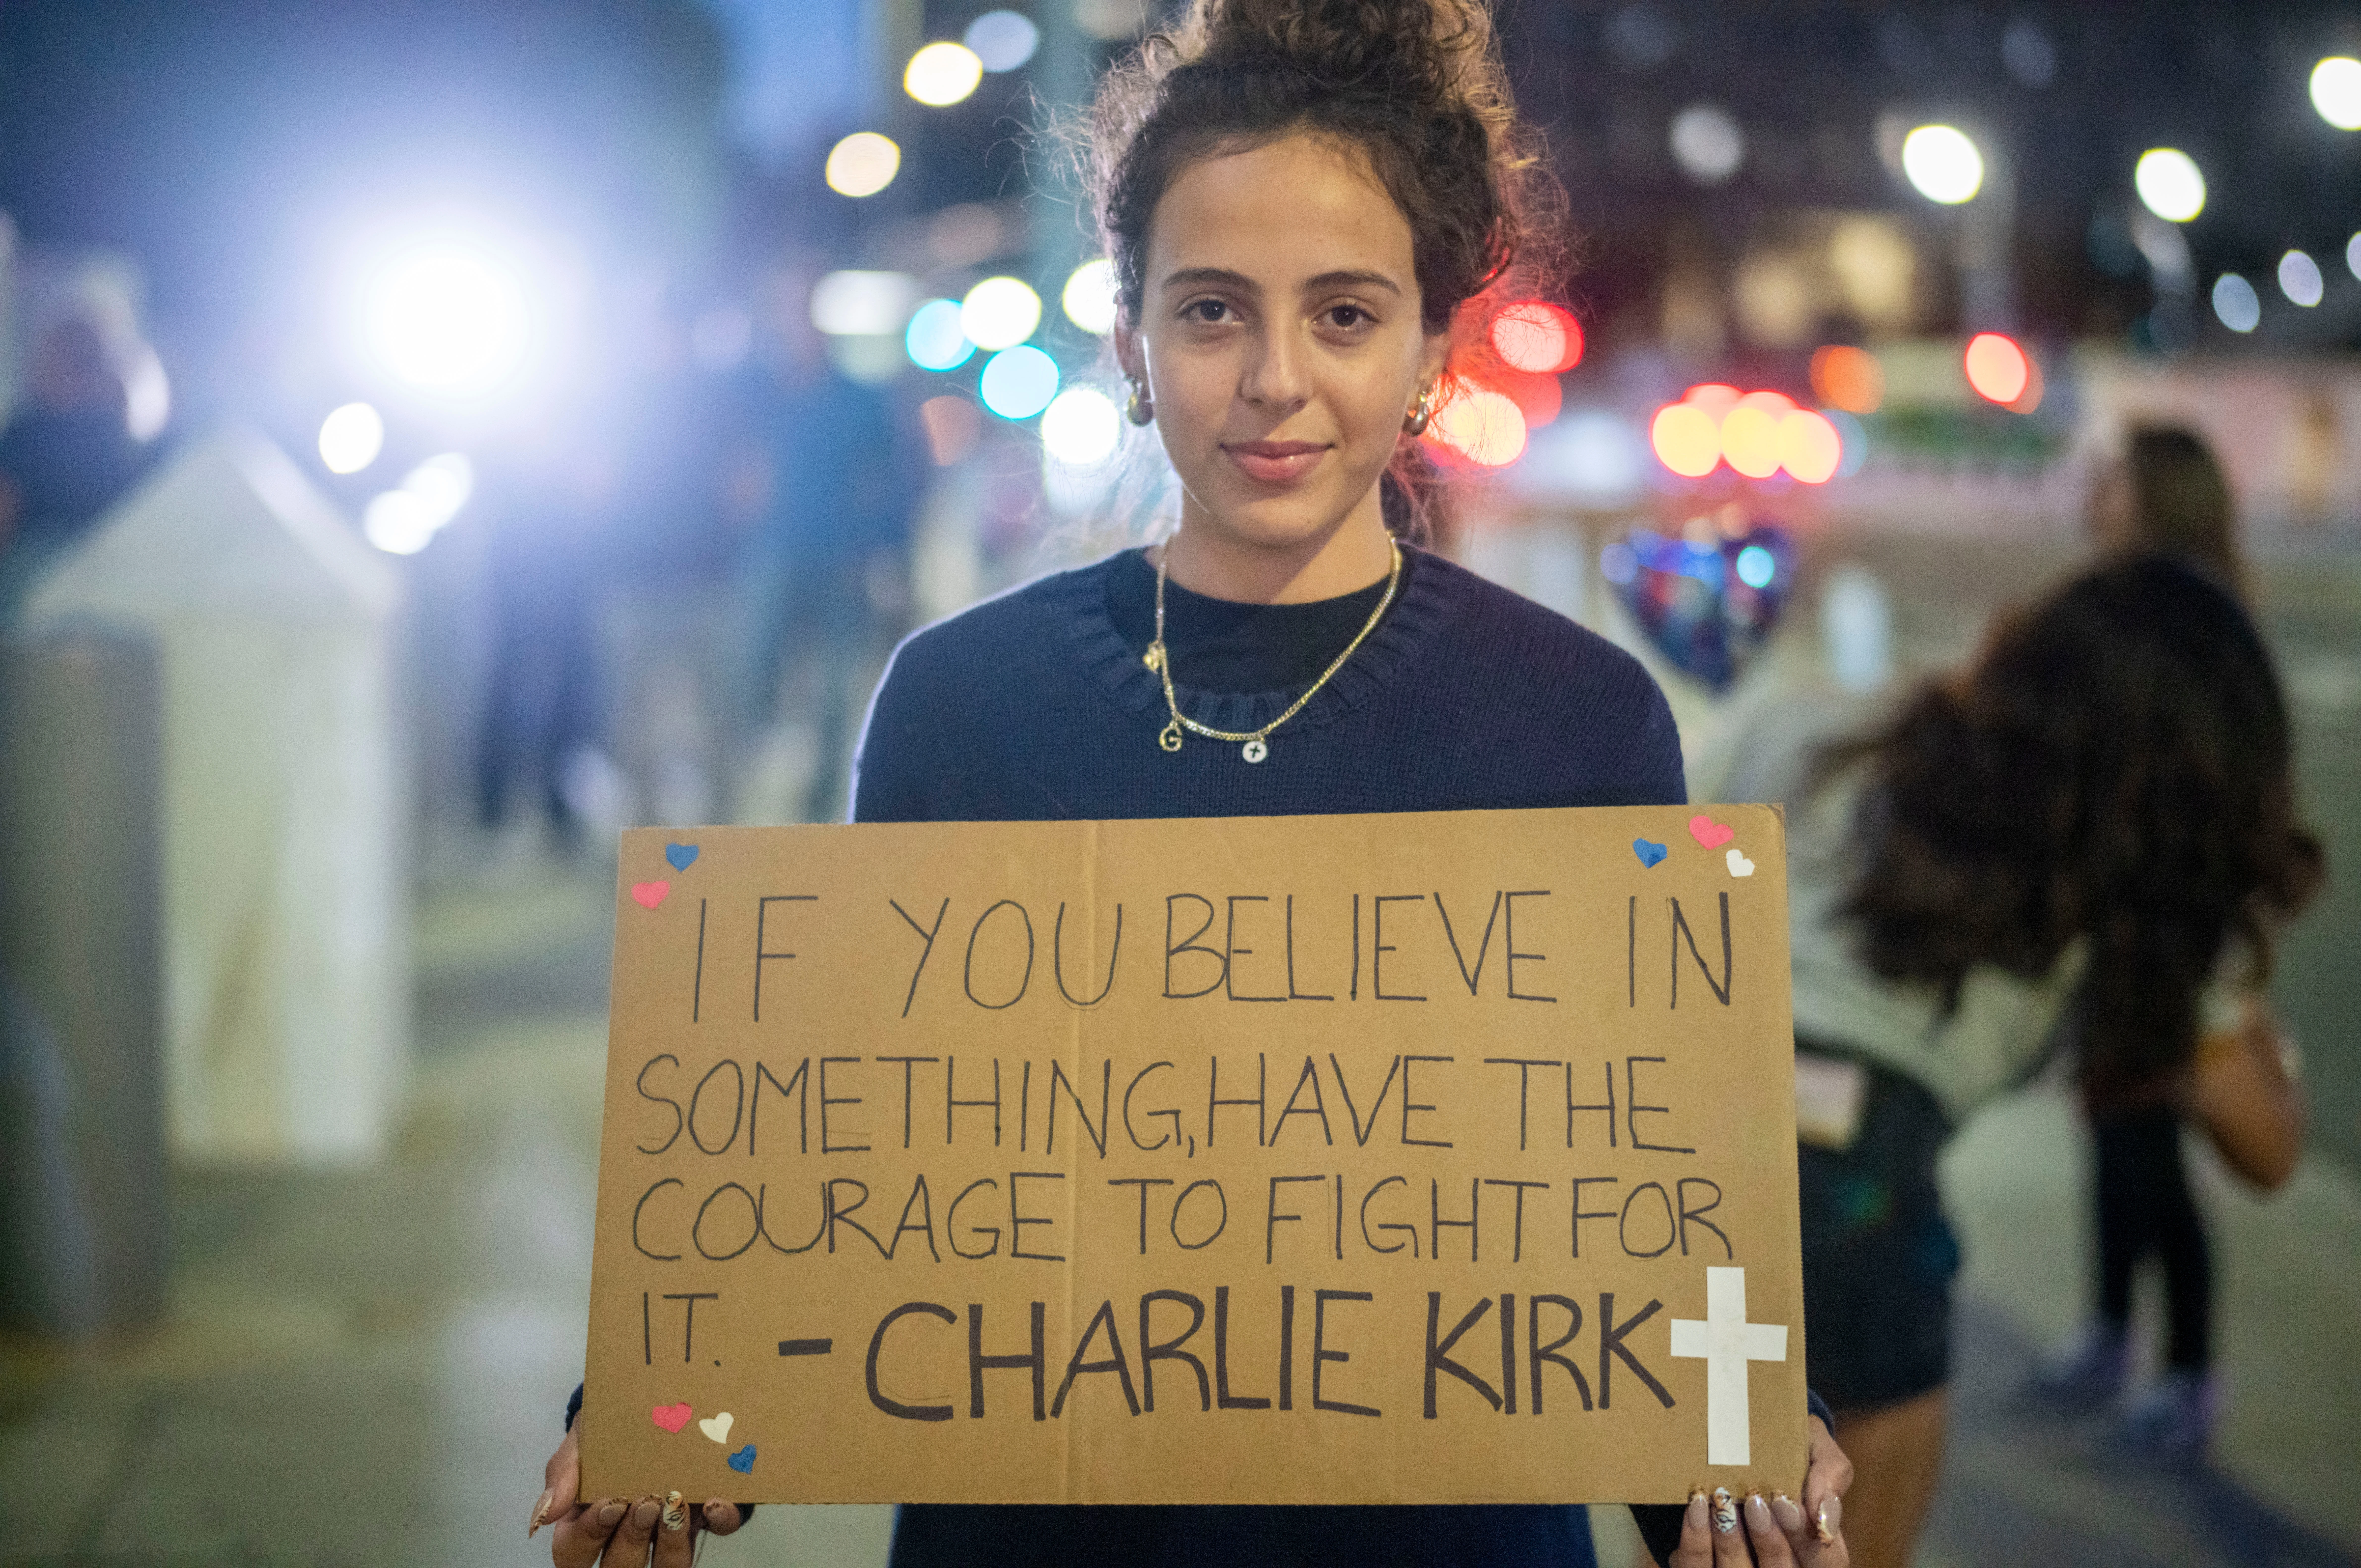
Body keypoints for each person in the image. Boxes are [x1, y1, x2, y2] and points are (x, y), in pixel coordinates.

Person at [534, 2, 1850, 1563]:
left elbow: (1621, 1248)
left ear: (1435, 349)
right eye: (1214, 311)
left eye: (1346, 315)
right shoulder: (962, 706)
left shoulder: (1575, 722)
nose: (1274, 379)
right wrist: (665, 1431)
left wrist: (1736, 1475)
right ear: (1132, 346)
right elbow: (862, 1208)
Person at [1725, 556, 2320, 1567]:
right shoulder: (2134, 876)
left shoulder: (1819, 732)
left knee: (1710, 1542)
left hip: (1674, 1163)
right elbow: (2265, 1146)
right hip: (1857, 1193)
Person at [2029, 425, 2303, 1456]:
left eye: (2113, 478)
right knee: (2112, 1131)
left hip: (2171, 923)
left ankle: (2188, 1371)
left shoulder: (2188, 617)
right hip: (2115, 915)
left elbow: (2228, 785)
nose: (2092, 491)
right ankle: (2110, 1332)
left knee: (2152, 1147)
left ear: (2160, 496)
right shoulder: (2127, 600)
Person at [0, 318, 144, 621]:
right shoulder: (114, 432)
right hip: (106, 577)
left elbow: (5, 512)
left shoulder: (27, 431)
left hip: (32, 575)